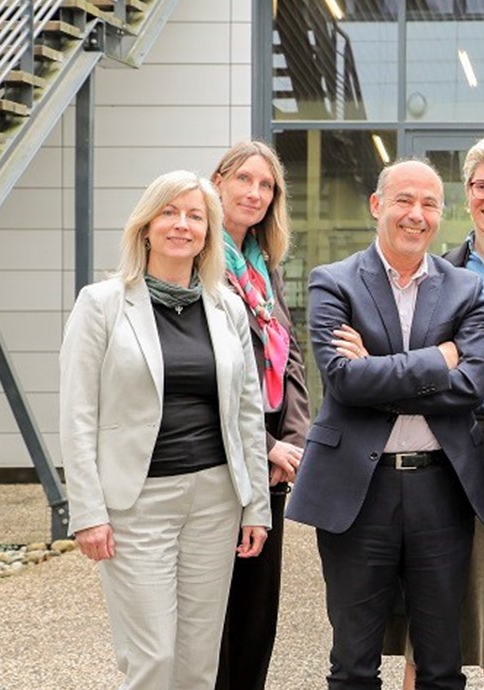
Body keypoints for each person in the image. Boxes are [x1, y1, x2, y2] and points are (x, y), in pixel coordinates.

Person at [286, 159, 484, 690]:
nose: (416, 215)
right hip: (358, 490)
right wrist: (439, 357)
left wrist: (376, 368)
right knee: (354, 662)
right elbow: (343, 381)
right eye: (404, 200)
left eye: (428, 204)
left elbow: (473, 385)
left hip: (440, 491)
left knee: (442, 663)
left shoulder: (465, 289)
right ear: (378, 206)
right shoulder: (333, 281)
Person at [61, 170, 270, 690]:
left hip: (215, 500)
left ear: (208, 231)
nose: (183, 225)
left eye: (195, 216)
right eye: (169, 213)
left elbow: (247, 412)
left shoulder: (228, 308)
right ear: (146, 226)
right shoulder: (101, 304)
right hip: (137, 505)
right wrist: (87, 511)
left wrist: (255, 505)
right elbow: (77, 412)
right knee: (152, 659)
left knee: (199, 664)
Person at [383, 135, 484, 690]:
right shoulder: (434, 269)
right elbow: (410, 367)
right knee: (430, 602)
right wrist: (429, 369)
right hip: (444, 450)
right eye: (481, 186)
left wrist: (431, 368)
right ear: (466, 194)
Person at [211, 141, 311, 690]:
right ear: (218, 182)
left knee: (257, 610)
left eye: (266, 185)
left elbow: (289, 357)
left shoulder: (262, 268)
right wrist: (263, 446)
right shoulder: (199, 264)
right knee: (218, 609)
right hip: (225, 450)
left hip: (273, 454)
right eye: (244, 179)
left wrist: (292, 440)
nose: (255, 192)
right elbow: (205, 371)